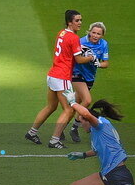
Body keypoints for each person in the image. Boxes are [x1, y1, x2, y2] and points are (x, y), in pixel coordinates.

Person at [25, 10, 97, 149]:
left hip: (53, 74)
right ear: (69, 22)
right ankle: (54, 140)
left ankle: (32, 132)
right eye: (77, 20)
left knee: (51, 106)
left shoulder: (62, 33)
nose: (80, 23)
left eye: (81, 20)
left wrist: (80, 48)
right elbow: (78, 60)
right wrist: (90, 57)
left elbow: (67, 49)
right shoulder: (74, 38)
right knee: (68, 110)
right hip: (62, 77)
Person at [69, 22, 110, 143]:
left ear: (102, 35)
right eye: (93, 32)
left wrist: (99, 64)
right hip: (77, 73)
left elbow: (106, 63)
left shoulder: (104, 44)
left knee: (75, 105)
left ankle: (60, 129)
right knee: (87, 100)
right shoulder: (80, 42)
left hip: (90, 77)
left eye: (98, 34)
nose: (95, 35)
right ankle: (74, 128)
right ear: (89, 32)